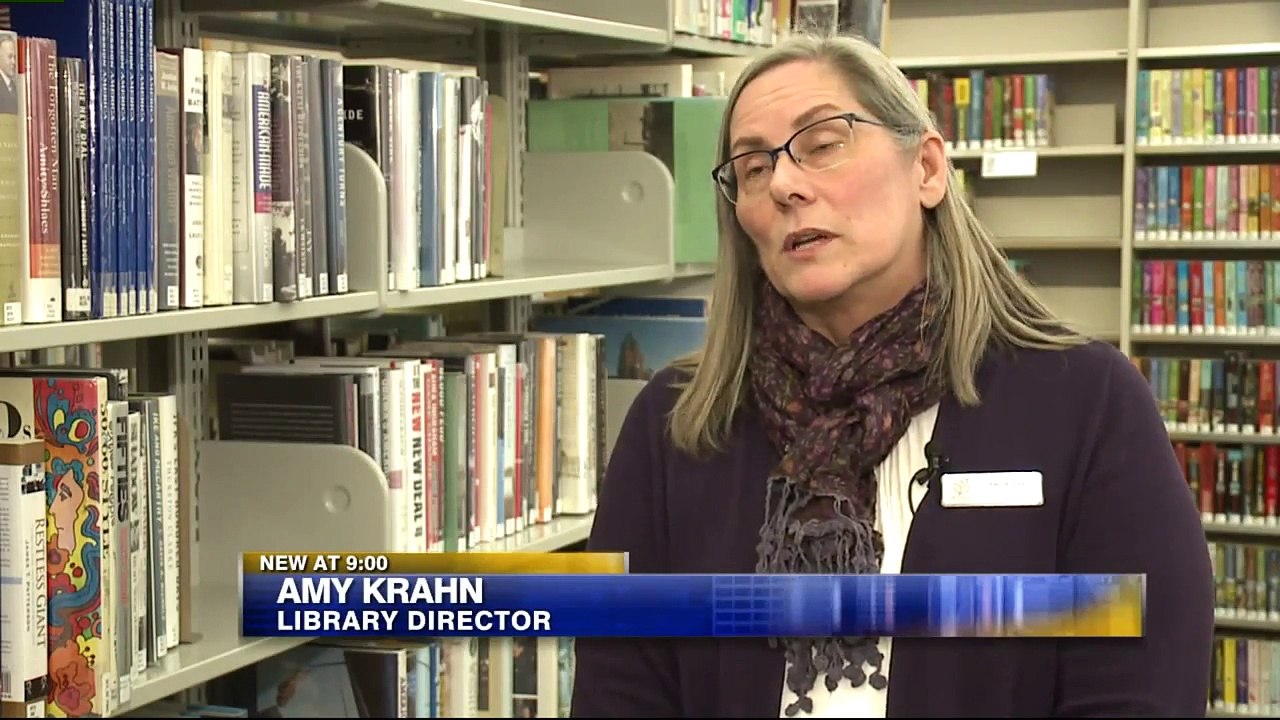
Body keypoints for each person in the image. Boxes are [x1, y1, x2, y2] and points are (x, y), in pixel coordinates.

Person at [569, 30, 1215, 719]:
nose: (784, 183)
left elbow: (1142, 690)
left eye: (822, 143)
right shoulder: (677, 424)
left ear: (927, 169)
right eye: (752, 168)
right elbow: (621, 689)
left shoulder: (1086, 402)